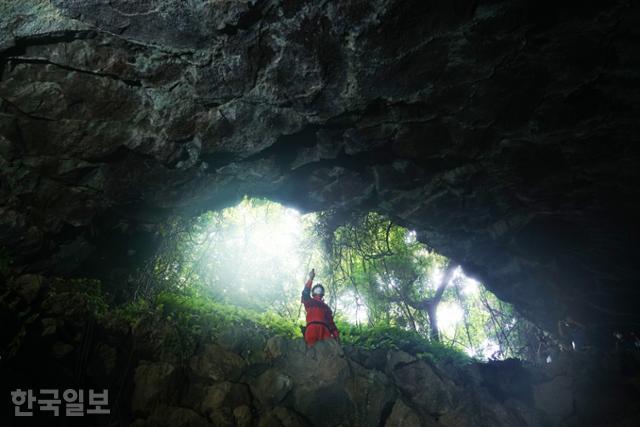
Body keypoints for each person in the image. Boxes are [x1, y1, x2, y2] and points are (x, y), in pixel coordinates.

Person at [301, 269, 339, 347]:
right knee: (311, 351)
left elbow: (331, 323)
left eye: (320, 289)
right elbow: (305, 293)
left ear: (323, 293)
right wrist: (310, 279)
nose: (318, 290)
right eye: (316, 289)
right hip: (312, 328)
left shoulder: (326, 308)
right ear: (313, 292)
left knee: (327, 352)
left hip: (325, 330)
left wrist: (336, 336)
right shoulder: (309, 301)